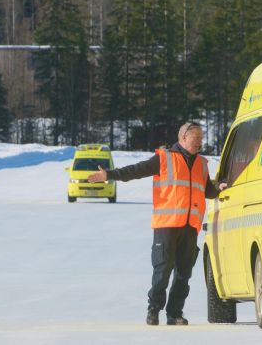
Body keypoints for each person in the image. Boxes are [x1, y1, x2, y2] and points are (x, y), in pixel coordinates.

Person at [87, 122, 227, 326]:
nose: (199, 142)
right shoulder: (164, 158)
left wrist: (219, 187)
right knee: (162, 271)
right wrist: (109, 175)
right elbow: (136, 170)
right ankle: (153, 309)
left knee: (183, 274)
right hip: (167, 225)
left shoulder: (202, 164)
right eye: (195, 138)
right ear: (183, 138)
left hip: (190, 227)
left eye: (201, 138)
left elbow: (207, 191)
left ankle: (175, 313)